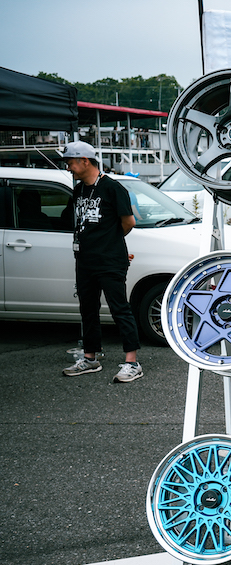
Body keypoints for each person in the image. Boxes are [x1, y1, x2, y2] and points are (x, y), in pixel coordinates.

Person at [60, 141, 143, 383]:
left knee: (119, 308)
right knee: (88, 309)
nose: (68, 168)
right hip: (85, 260)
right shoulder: (79, 190)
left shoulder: (112, 188)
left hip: (110, 260)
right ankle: (90, 358)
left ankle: (132, 362)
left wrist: (110, 243)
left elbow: (128, 222)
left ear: (85, 161)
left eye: (70, 163)